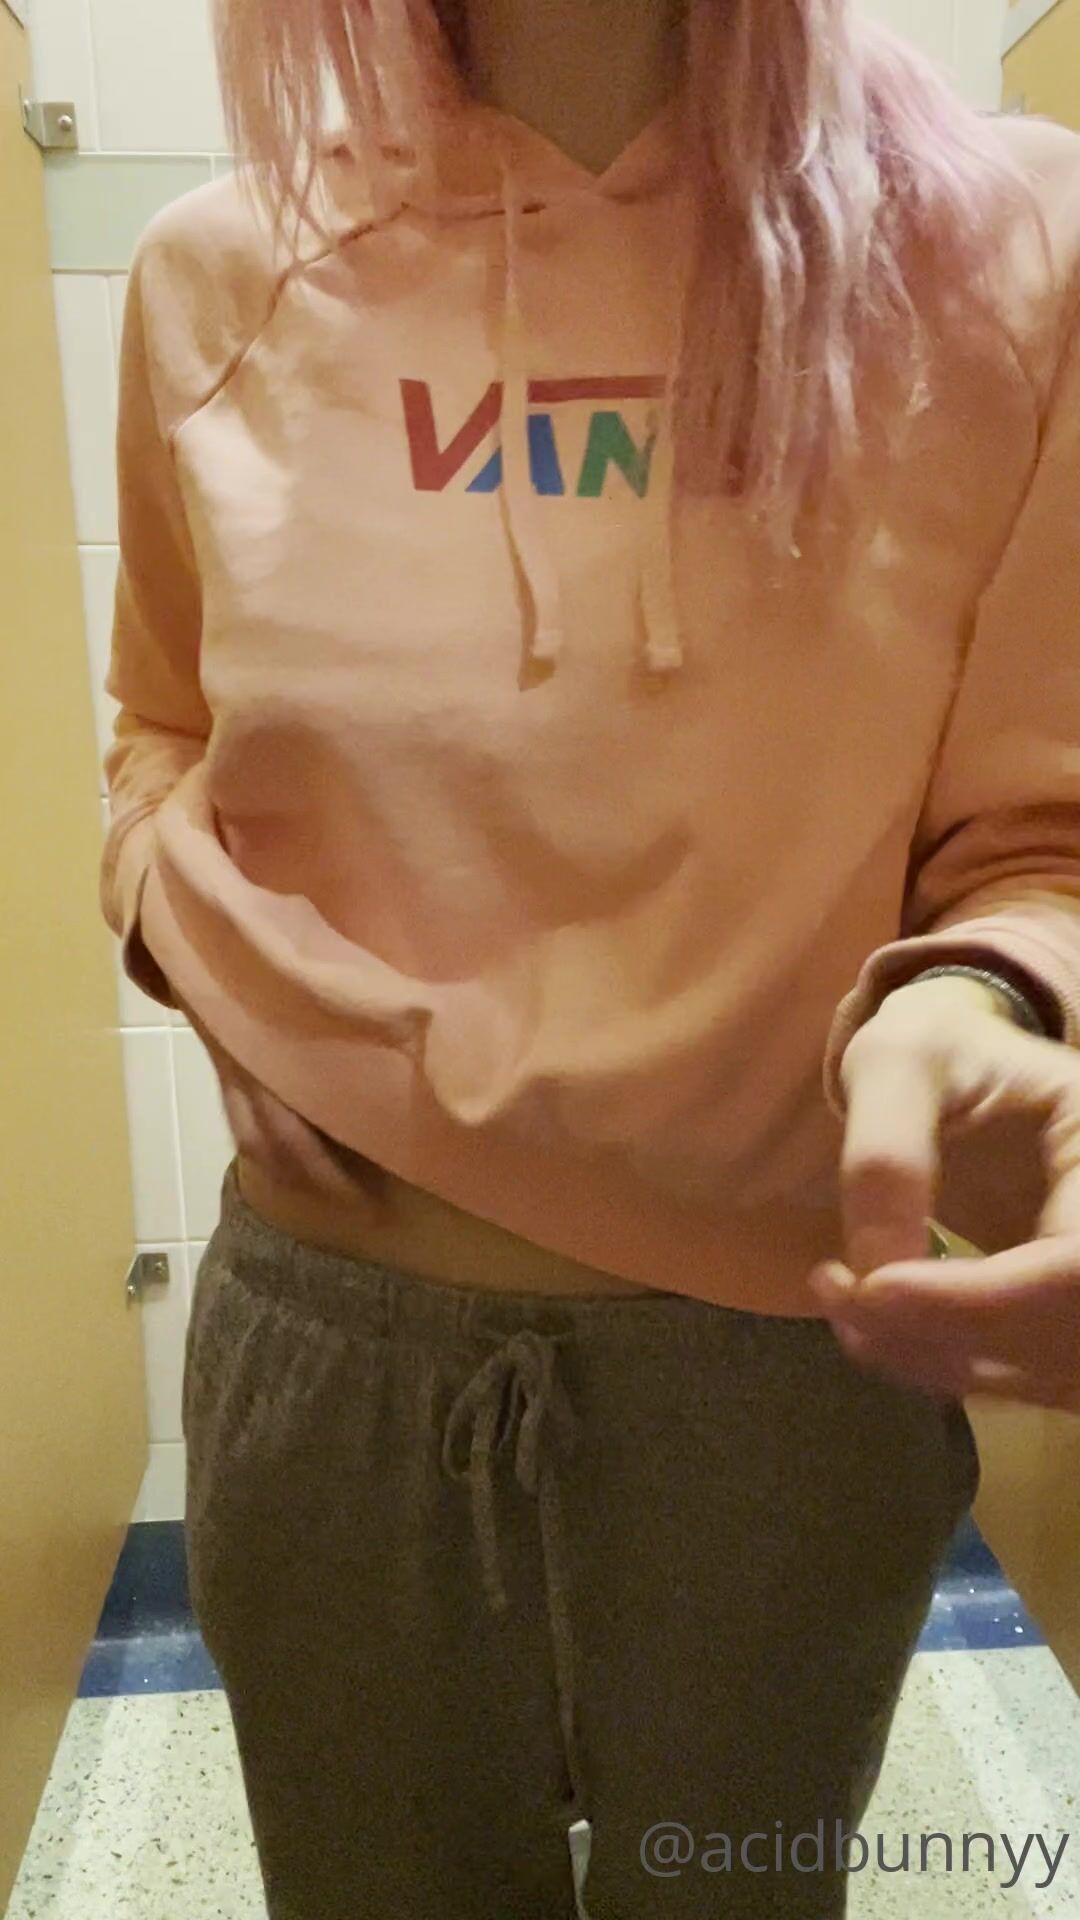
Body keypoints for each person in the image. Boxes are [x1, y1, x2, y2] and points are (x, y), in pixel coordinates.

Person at [99, 1, 1080, 1913]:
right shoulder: (215, 270)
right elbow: (156, 729)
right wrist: (172, 922)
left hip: (784, 1378)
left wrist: (979, 999)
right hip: (333, 1357)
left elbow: (1040, 833)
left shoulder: (1015, 246)